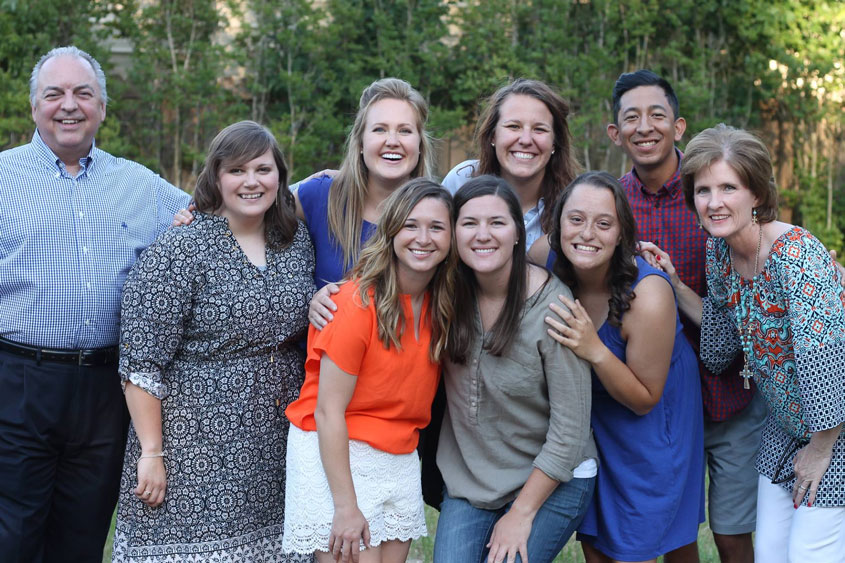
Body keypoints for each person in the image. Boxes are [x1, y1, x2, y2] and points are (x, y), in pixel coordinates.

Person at [0, 46, 190, 562]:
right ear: (33, 106)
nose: (69, 105)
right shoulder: (3, 180)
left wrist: (314, 189)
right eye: (54, 93)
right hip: (18, 384)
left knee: (82, 538)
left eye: (83, 93)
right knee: (12, 537)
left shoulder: (139, 184)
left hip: (107, 391)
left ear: (102, 107)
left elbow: (218, 212)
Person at [112, 121, 315, 561]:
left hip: (276, 441)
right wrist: (152, 451)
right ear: (216, 178)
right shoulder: (181, 248)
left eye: (263, 169)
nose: (251, 182)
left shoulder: (295, 241)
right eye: (237, 170)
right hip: (192, 446)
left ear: (280, 175)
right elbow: (142, 361)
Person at [650, 124, 845, 562]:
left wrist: (820, 448)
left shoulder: (796, 256)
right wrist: (677, 286)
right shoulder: (720, 252)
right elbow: (720, 345)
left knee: (811, 553)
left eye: (728, 187)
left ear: (756, 194)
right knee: (771, 553)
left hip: (833, 431)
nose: (714, 202)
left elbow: (827, 362)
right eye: (703, 190)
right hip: (785, 425)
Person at [605, 69, 765, 563]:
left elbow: (769, 254)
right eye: (631, 118)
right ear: (615, 133)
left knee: (733, 531)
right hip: (656, 401)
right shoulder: (610, 203)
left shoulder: (712, 190)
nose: (645, 127)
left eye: (657, 115)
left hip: (729, 393)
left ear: (678, 126)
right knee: (670, 532)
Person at [532, 171, 704, 562]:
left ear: (622, 234)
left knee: (652, 534)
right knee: (597, 541)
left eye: (603, 223)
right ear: (558, 224)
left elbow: (645, 398)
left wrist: (593, 348)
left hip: (652, 422)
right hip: (592, 421)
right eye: (575, 219)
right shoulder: (546, 256)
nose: (587, 233)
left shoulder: (648, 294)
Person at [283, 179, 456, 563]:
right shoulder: (355, 304)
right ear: (391, 231)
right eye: (411, 225)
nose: (423, 238)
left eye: (437, 227)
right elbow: (328, 411)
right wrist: (345, 507)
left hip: (398, 453)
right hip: (338, 451)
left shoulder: (442, 307)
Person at [434, 175, 596, 563]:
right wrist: (328, 293)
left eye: (497, 223)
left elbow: (570, 432)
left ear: (518, 234)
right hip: (472, 481)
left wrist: (521, 514)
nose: (482, 235)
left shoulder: (553, 306)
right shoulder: (445, 292)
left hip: (555, 477)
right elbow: (388, 280)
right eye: (469, 223)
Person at [440, 78, 581, 249]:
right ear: (493, 136)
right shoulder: (461, 180)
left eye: (539, 129)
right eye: (514, 126)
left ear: (555, 143)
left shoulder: (575, 201)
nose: (526, 140)